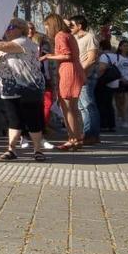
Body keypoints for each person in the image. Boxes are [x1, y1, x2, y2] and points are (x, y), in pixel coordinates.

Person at [0, 18, 48, 161]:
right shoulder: (4, 47)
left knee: (32, 119)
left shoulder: (24, 41)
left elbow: (5, 45)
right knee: (14, 120)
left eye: (11, 27)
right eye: (6, 27)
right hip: (9, 88)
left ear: (21, 29)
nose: (8, 30)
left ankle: (38, 150)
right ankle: (11, 150)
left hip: (28, 87)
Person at [42, 13, 85, 151]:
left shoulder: (60, 35)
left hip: (68, 71)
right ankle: (77, 138)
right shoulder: (69, 35)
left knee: (67, 109)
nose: (46, 29)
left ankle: (72, 139)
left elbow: (67, 55)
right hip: (75, 69)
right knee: (73, 108)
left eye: (47, 26)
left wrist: (49, 56)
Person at [69, 15, 101, 144]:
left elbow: (92, 58)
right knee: (82, 107)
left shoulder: (90, 37)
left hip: (86, 76)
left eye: (72, 25)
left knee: (88, 105)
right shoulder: (75, 38)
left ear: (79, 26)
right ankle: (87, 133)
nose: (69, 28)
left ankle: (91, 135)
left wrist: (80, 71)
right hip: (78, 76)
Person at [96, 39, 119, 133]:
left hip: (105, 83)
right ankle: (112, 125)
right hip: (114, 82)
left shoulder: (104, 56)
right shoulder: (117, 56)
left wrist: (97, 78)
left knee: (102, 104)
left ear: (101, 47)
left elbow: (102, 68)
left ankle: (104, 125)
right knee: (109, 104)